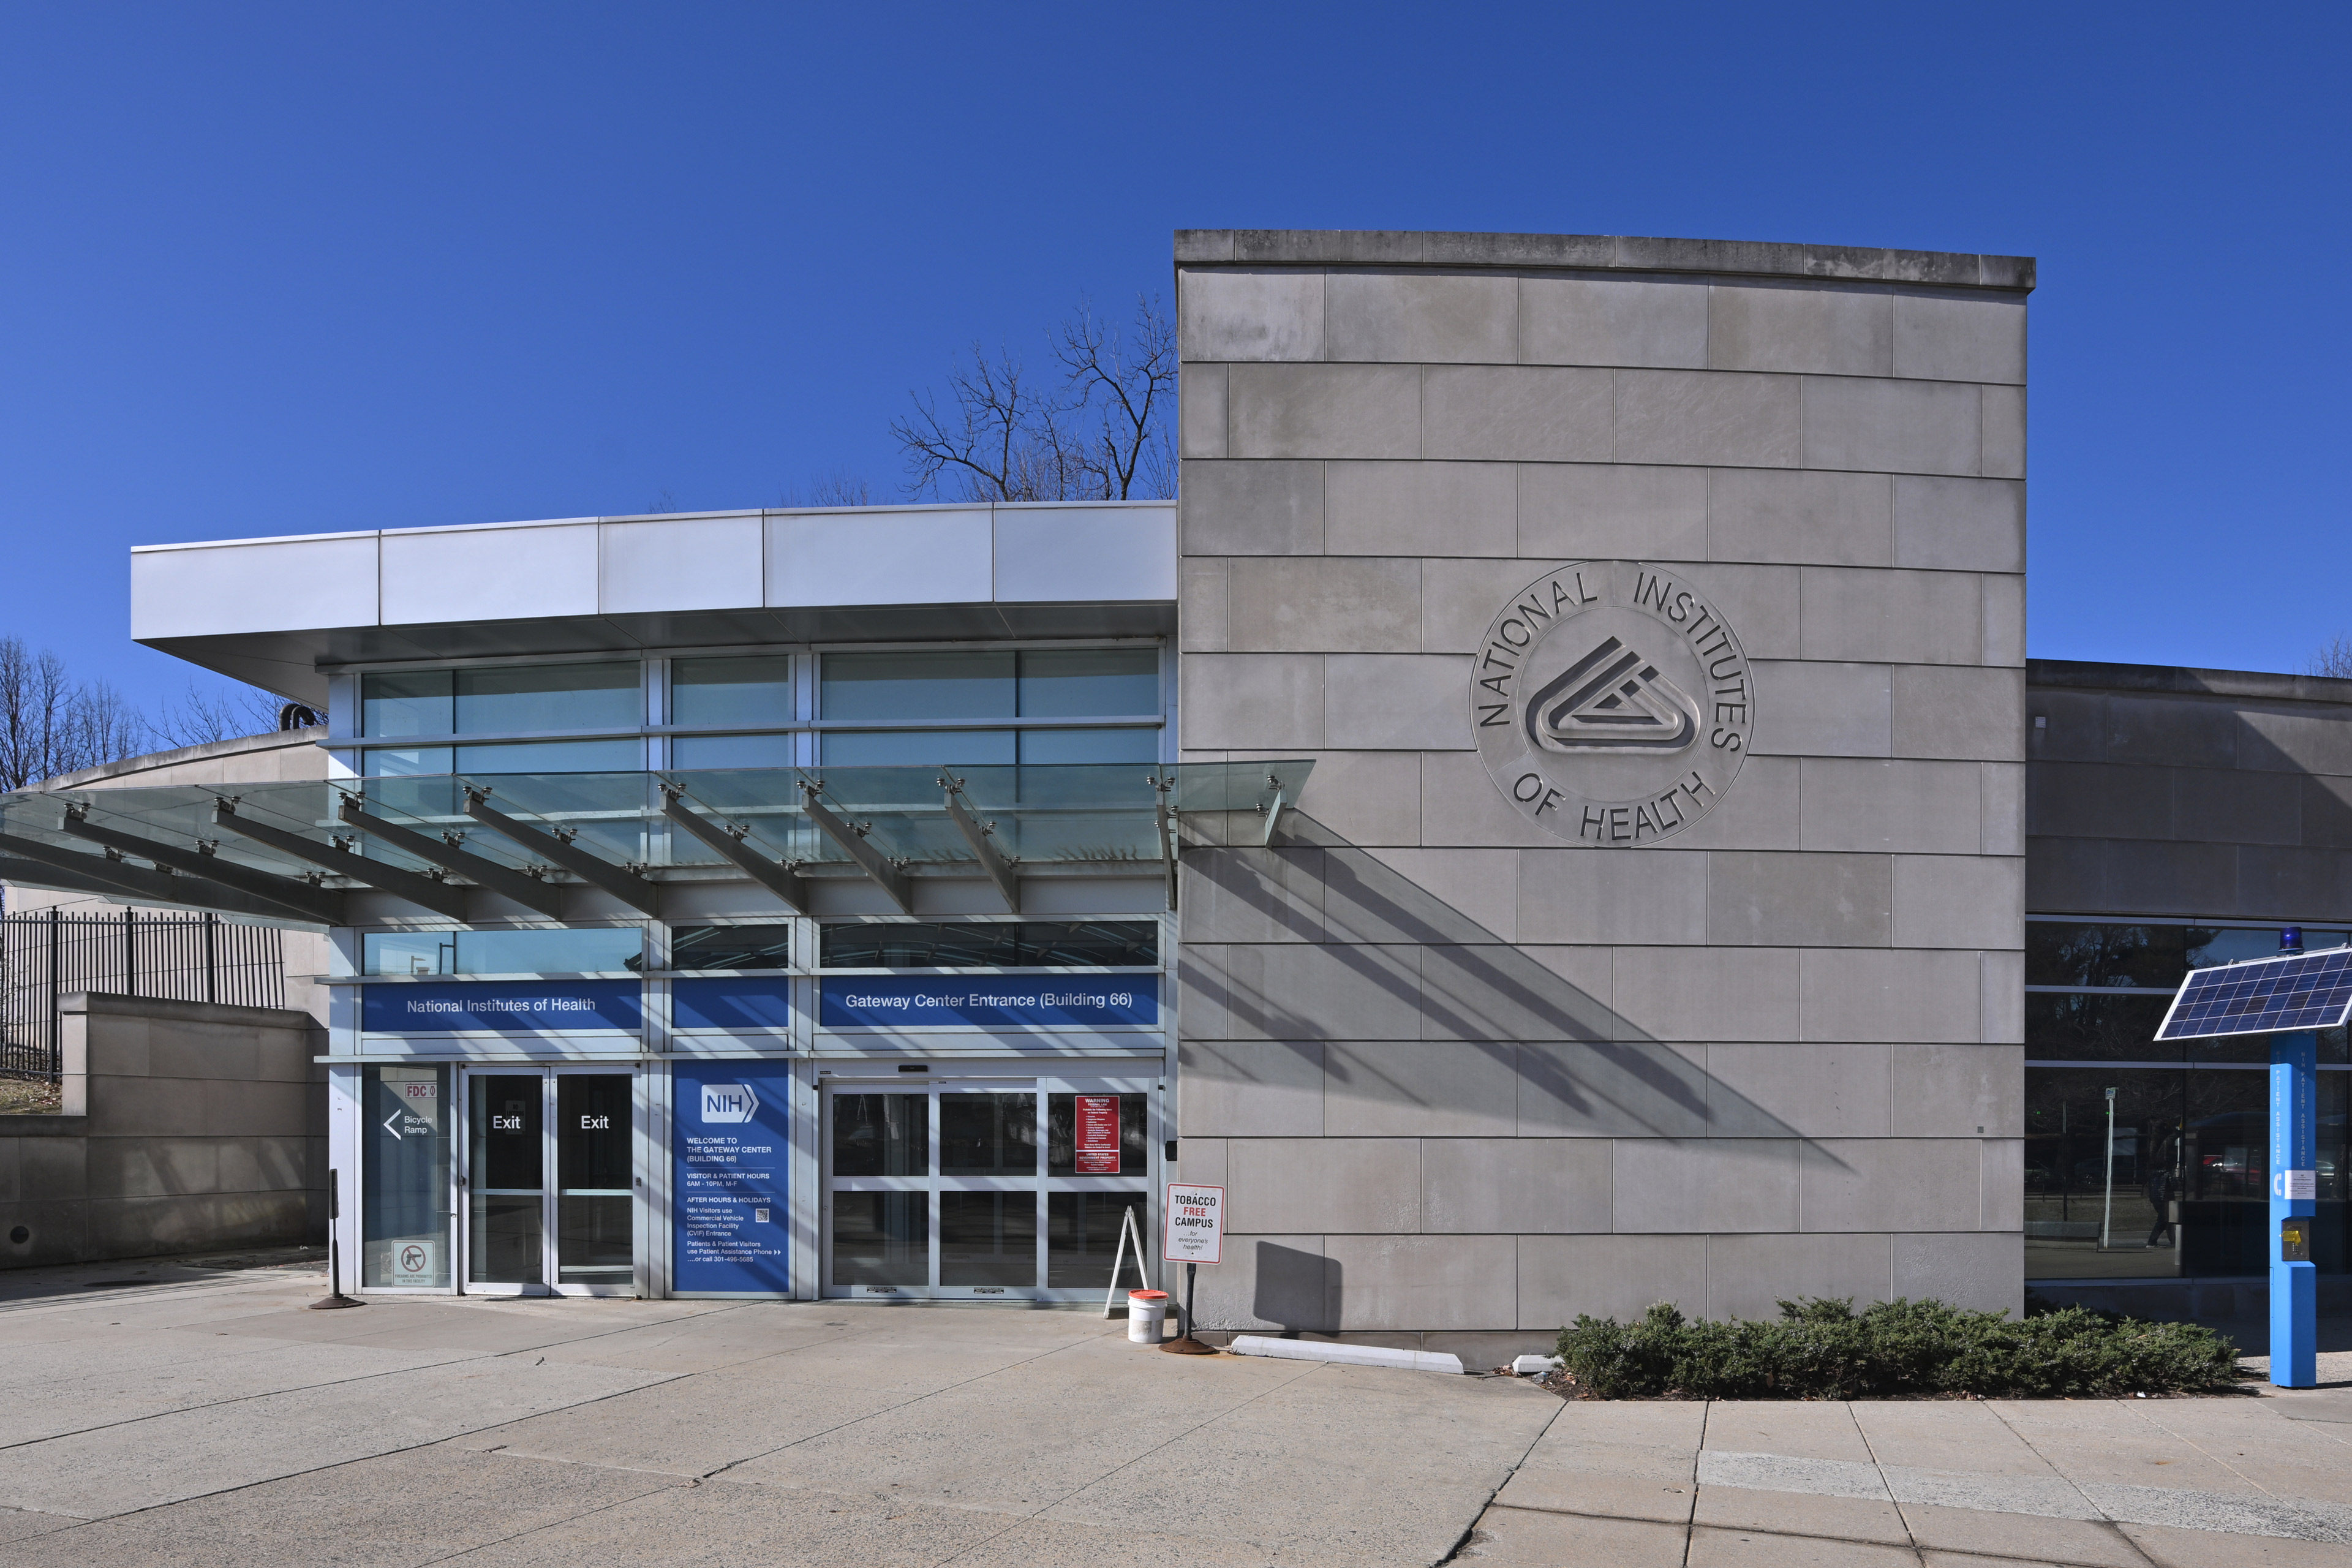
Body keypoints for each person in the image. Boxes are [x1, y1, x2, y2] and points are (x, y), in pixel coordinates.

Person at [2146, 1164, 2176, 1248]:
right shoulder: (2167, 1174)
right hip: (2165, 1199)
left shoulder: (2152, 1174)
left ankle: (2174, 1241)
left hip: (2155, 1199)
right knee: (2163, 1221)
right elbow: (2175, 1186)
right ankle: (2152, 1242)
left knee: (2168, 1220)